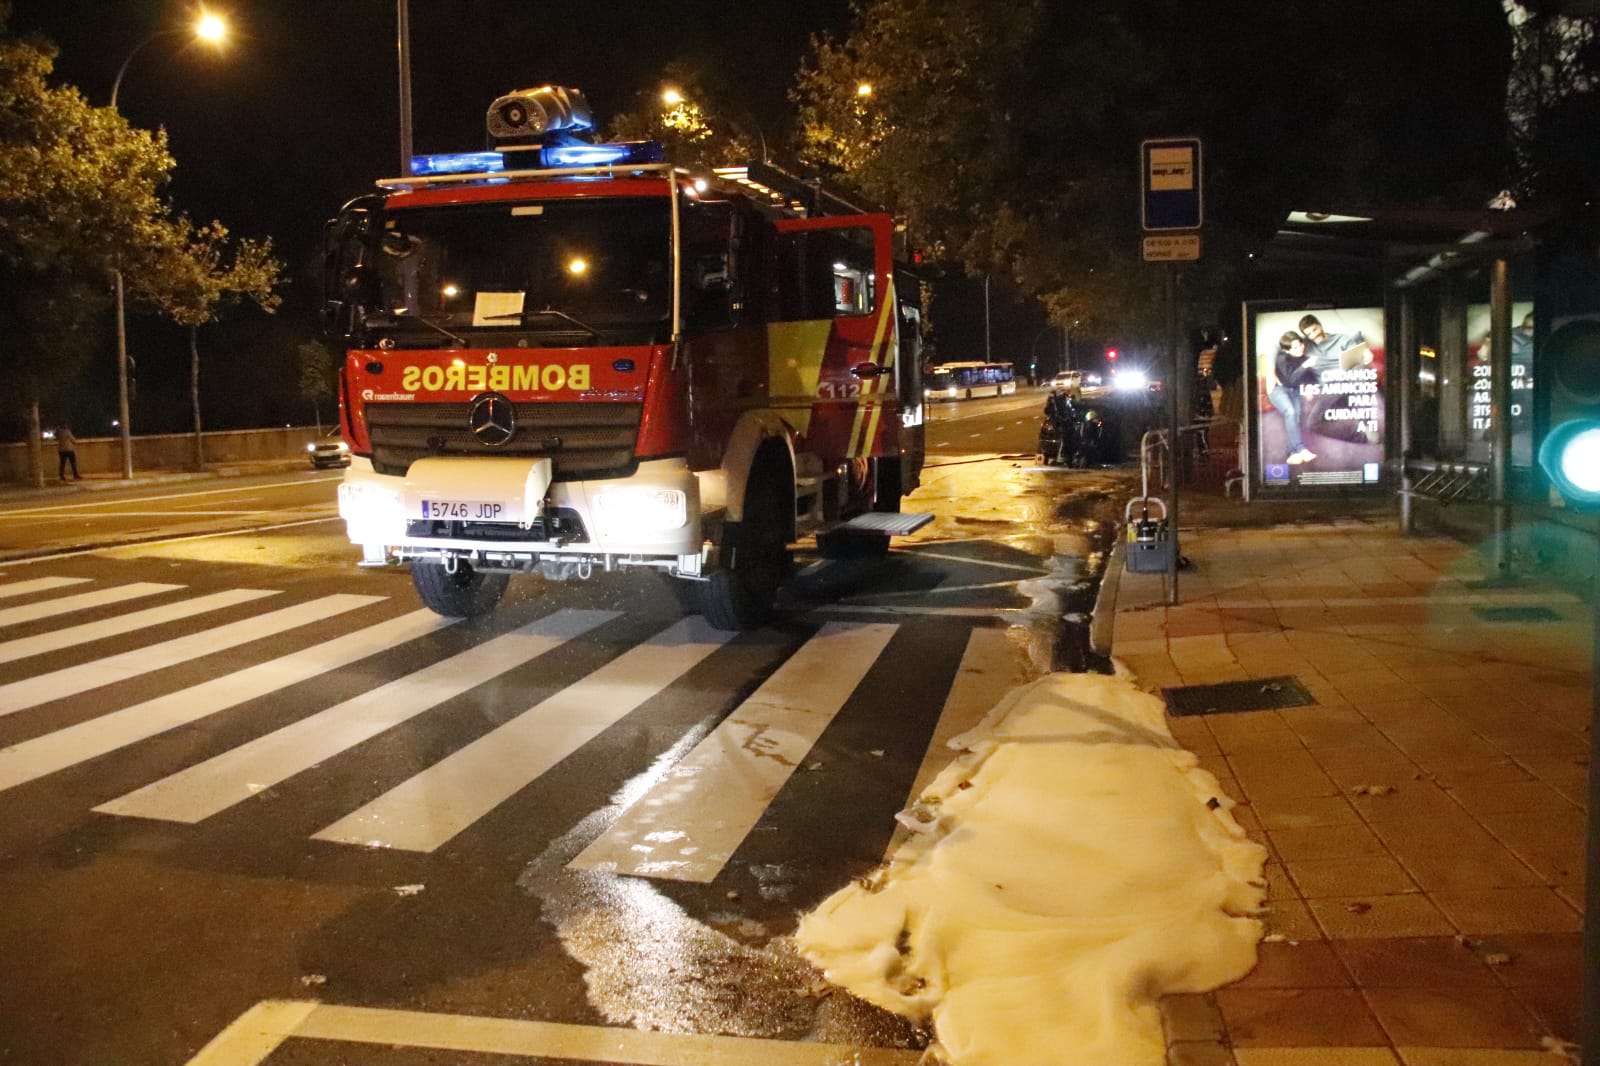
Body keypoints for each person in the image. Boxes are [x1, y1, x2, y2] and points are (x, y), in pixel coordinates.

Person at [1266, 332, 1317, 465]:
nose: (1300, 349)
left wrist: (1308, 387)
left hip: (1295, 391)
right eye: (1295, 348)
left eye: (1300, 345)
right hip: (1278, 390)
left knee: (1296, 416)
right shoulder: (1282, 359)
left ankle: (1292, 453)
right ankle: (1301, 448)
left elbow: (1311, 378)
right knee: (1291, 412)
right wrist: (1305, 366)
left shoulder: (1305, 357)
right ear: (1286, 350)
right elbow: (1290, 379)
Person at [1299, 314, 1371, 376]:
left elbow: (1358, 350)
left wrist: (1365, 351)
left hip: (1347, 378)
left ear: (1320, 325)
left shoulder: (1341, 339)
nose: (1314, 335)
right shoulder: (1304, 344)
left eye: (1315, 329)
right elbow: (1290, 345)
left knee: (1361, 368)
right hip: (1326, 386)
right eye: (1309, 334)